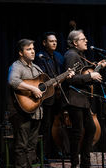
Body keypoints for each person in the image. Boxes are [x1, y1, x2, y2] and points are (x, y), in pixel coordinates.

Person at [62, 29, 106, 168]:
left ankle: (85, 165)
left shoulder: (80, 55)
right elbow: (69, 78)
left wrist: (97, 68)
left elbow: (83, 73)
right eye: (83, 39)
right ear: (75, 42)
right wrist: (91, 76)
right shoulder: (71, 55)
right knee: (77, 133)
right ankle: (74, 166)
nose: (86, 41)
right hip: (74, 99)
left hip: (83, 100)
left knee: (91, 129)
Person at [7, 39, 43, 168]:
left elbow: (44, 85)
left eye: (33, 48)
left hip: (35, 111)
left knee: (31, 145)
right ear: (21, 52)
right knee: (21, 145)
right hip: (21, 112)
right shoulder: (16, 66)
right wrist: (32, 89)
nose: (33, 51)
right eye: (29, 49)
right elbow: (12, 80)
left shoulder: (36, 68)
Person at [34, 32, 64, 161]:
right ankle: (42, 153)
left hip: (58, 96)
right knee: (45, 126)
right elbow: (42, 79)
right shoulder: (40, 57)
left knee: (56, 125)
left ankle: (54, 150)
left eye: (56, 41)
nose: (54, 43)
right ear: (44, 43)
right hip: (47, 97)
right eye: (51, 41)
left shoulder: (58, 56)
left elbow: (60, 73)